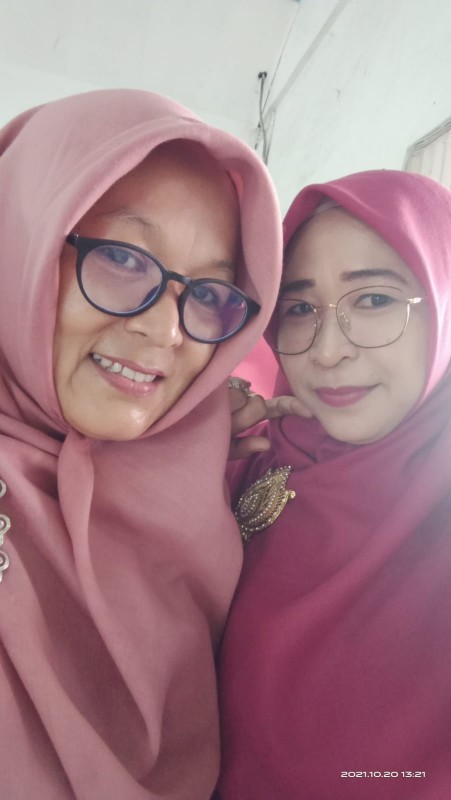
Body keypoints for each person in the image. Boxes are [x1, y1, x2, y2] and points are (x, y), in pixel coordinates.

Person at [0, 88, 282, 799]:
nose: (167, 331)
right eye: (124, 260)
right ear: (19, 243)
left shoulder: (222, 478)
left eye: (210, 293)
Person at [217, 170, 451, 799]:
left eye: (373, 300)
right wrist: (184, 460)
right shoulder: (253, 462)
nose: (326, 352)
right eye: (299, 309)